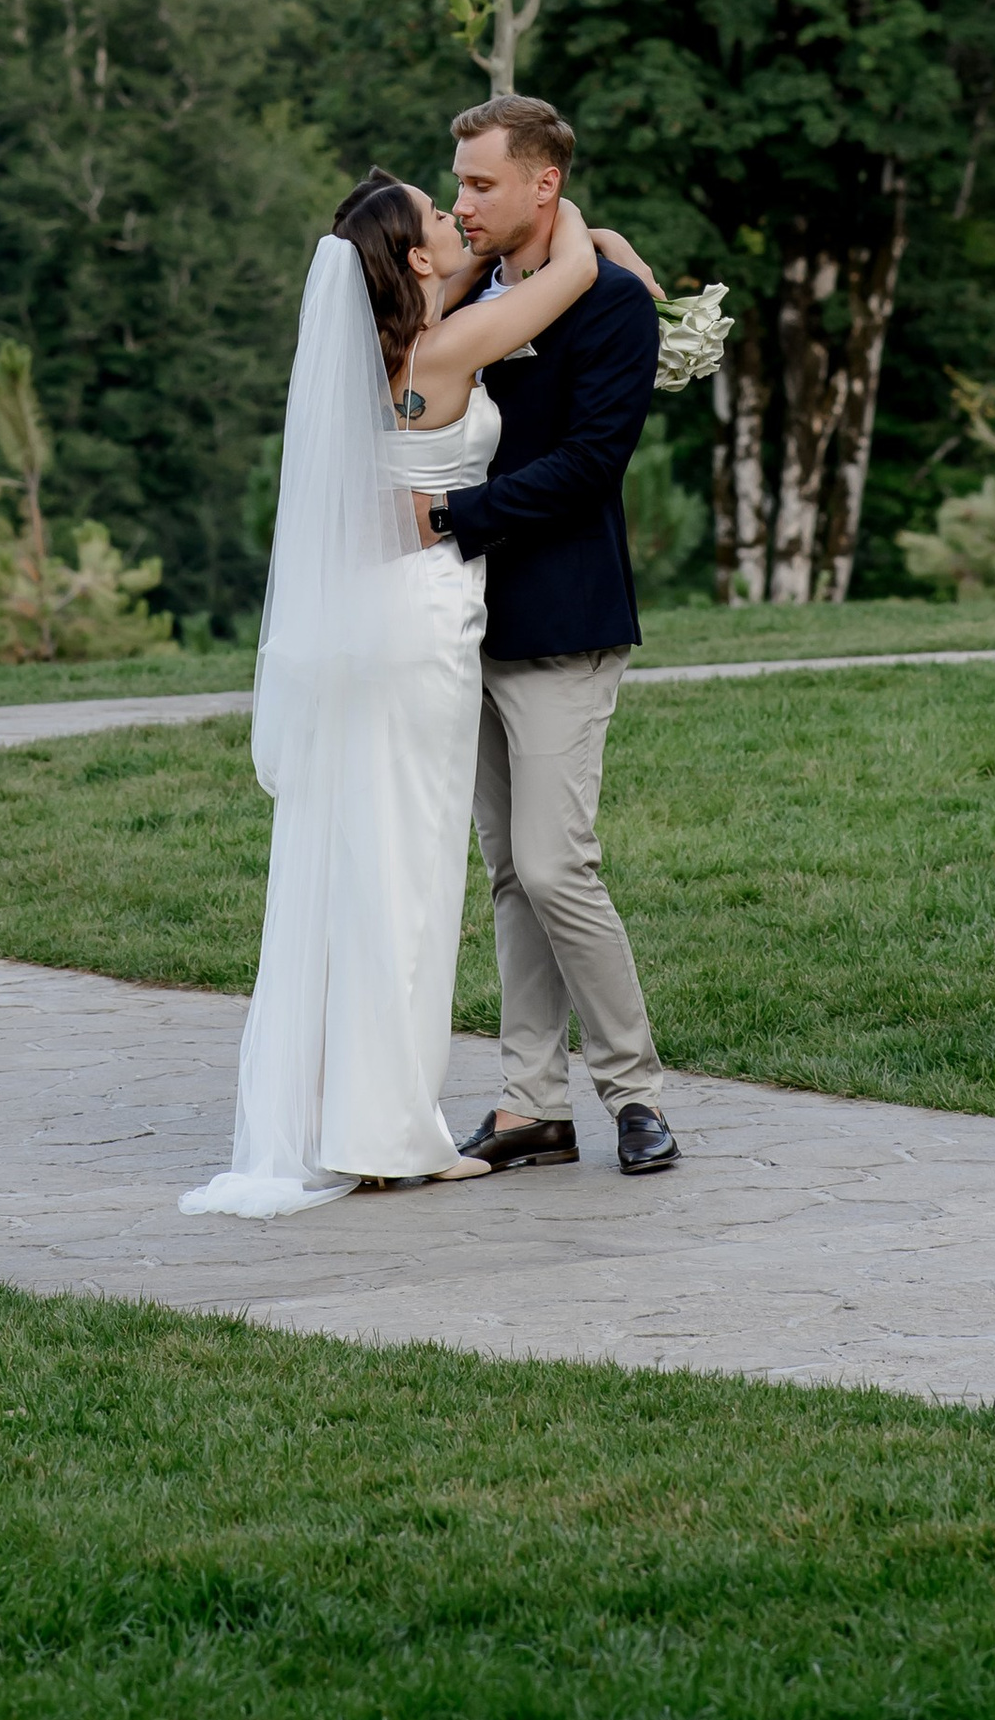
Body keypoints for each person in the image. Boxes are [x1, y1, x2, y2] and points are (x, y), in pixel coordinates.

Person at [181, 161, 648, 1215]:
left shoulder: (386, 347)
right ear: (412, 261)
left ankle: (353, 1114)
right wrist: (579, 220)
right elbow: (565, 268)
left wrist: (477, 242)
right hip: (426, 622)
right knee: (414, 875)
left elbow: (470, 263)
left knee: (369, 860)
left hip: (370, 625)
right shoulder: (443, 346)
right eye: (441, 214)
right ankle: (392, 1130)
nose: (457, 216)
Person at [436, 94, 680, 1179]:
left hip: (563, 621)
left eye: (482, 183)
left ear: (545, 183)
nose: (463, 202)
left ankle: (635, 1091)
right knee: (506, 871)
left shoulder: (613, 303)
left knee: (553, 861)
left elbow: (591, 461)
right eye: (459, 183)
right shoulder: (471, 293)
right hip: (459, 624)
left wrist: (453, 518)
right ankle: (531, 1101)